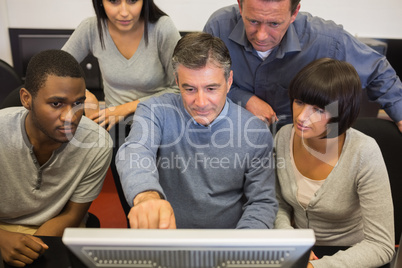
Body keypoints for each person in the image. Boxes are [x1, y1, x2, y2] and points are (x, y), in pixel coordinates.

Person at [116, 32, 278, 229]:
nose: (201, 103)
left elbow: (262, 203)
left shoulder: (256, 132)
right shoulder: (154, 111)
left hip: (230, 244)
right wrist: (147, 196)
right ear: (177, 81)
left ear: (229, 82)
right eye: (190, 89)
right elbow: (135, 151)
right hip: (168, 239)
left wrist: (240, 249)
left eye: (211, 89)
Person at [203, 0, 402, 132]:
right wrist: (244, 99)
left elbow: (377, 71)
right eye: (253, 21)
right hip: (233, 137)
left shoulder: (326, 40)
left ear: (294, 13)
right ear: (240, 5)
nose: (261, 35)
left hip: (301, 143)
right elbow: (202, 83)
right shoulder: (218, 27)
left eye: (274, 24)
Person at [274, 58, 395, 267]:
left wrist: (316, 266)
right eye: (299, 102)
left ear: (342, 111)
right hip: (299, 252)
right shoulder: (284, 136)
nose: (302, 117)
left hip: (354, 257)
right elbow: (277, 203)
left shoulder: (364, 152)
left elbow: (381, 245)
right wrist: (290, 242)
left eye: (319, 110)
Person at [0, 50, 113, 267]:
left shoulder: (97, 143)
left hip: (55, 227)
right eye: (56, 104)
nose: (70, 116)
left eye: (78, 103)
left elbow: (72, 214)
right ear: (26, 99)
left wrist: (32, 247)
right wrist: (2, 239)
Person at [62, 0, 181, 130]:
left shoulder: (162, 27)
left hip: (158, 122)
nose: (124, 12)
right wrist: (85, 96)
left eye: (133, 1)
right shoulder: (91, 27)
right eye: (114, 1)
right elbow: (53, 71)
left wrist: (124, 109)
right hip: (112, 125)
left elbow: (179, 89)